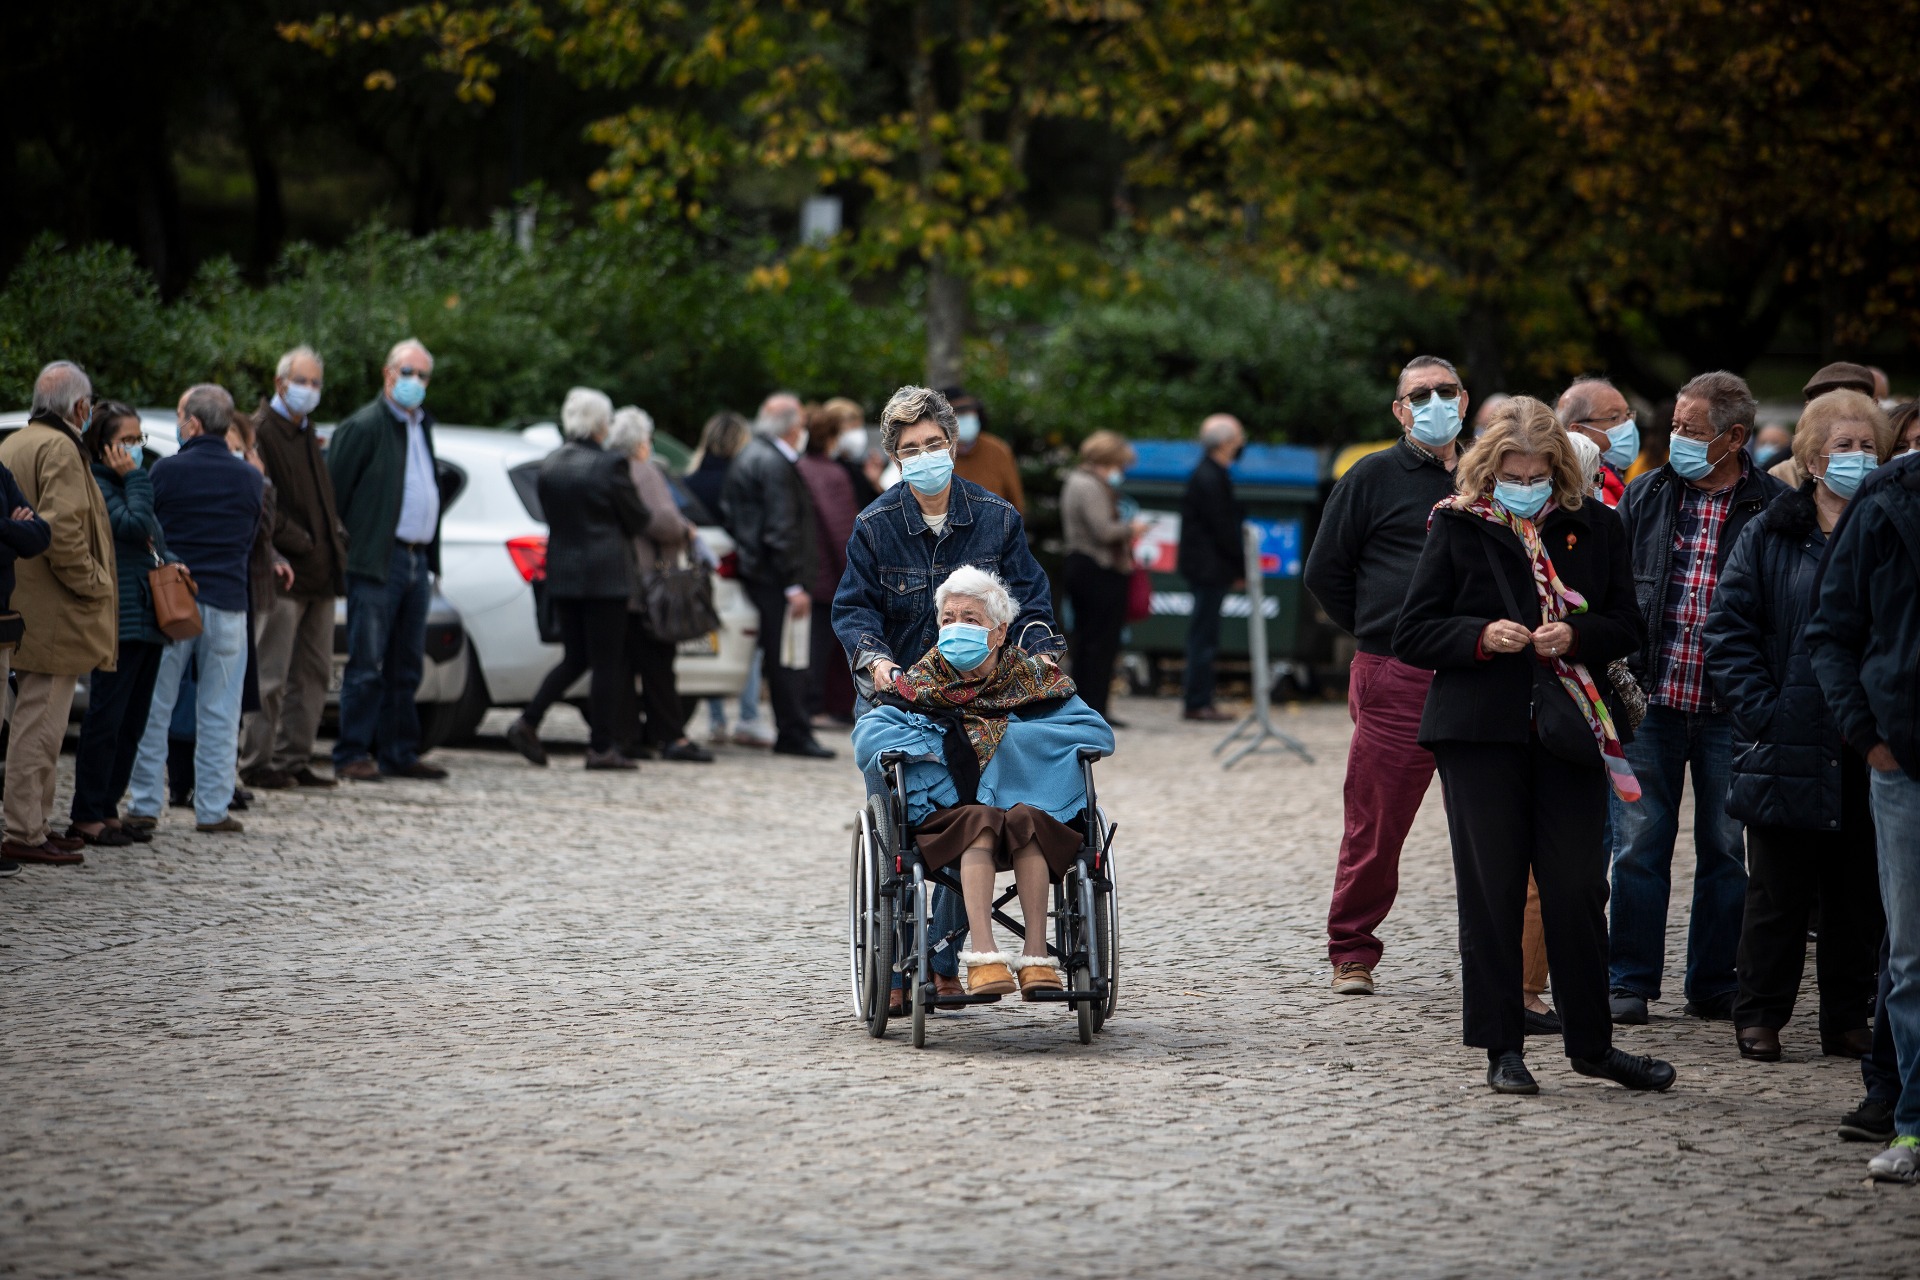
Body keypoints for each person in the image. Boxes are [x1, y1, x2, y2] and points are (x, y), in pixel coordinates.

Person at [1393, 396, 1673, 1095]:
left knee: (1578, 887)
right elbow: (1414, 630)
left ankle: (1593, 1046)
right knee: (1491, 892)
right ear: (1489, 470)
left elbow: (1627, 625)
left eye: (1537, 470)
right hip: (1479, 732)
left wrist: (1575, 636)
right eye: (1511, 471)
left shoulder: (1596, 526)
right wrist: (1479, 637)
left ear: (1558, 468)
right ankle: (1501, 1046)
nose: (1525, 482)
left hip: (1569, 731)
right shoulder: (1458, 527)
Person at [833, 383, 1065, 998]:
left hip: (982, 697)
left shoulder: (995, 517)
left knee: (977, 813)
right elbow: (853, 610)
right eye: (912, 447)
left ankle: (944, 962)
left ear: (953, 444)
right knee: (904, 834)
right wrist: (876, 661)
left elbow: (1033, 598)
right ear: (896, 456)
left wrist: (1040, 649)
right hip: (903, 698)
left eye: (935, 442)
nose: (926, 454)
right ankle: (900, 969)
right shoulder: (875, 527)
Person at [1704, 389, 1892, 1063]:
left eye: (1869, 445)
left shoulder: (1893, 530)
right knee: (1777, 894)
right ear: (1813, 459)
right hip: (1787, 737)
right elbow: (1728, 631)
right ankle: (1759, 1016)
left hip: (1869, 743)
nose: (1858, 458)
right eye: (1844, 446)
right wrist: (1763, 711)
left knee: (1858, 895)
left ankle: (1847, 1017)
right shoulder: (1771, 533)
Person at [1607, 370, 1789, 1025]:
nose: (1676, 439)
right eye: (1674, 426)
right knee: (1637, 848)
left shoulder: (1774, 506)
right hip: (1649, 704)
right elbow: (1614, 590)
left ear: (1735, 437)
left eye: (1691, 429)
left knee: (1725, 851)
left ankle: (1713, 982)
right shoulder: (1647, 495)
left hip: (1732, 712)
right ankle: (1628, 980)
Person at [851, 565, 1113, 1012]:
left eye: (970, 620)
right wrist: (940, 742)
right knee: (980, 821)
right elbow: (871, 736)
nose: (956, 628)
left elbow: (1095, 732)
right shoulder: (918, 682)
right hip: (950, 817)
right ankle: (984, 960)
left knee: (1026, 819)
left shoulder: (1032, 679)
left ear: (999, 631)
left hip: (1028, 808)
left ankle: (1036, 957)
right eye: (948, 619)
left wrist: (1007, 740)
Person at [1302, 354, 1463, 996]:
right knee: (1376, 822)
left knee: (1492, 822)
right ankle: (1352, 950)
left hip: (1479, 668)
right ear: (1399, 410)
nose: (1433, 402)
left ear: (1465, 397)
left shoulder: (1488, 472)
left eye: (1445, 391)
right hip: (1396, 671)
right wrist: (1381, 626)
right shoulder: (1370, 476)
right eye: (1419, 394)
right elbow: (1324, 572)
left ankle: (1505, 956)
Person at [1806, 430, 1920, 1181]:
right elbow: (1831, 630)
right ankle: (1913, 1126)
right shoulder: (1887, 498)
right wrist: (1868, 737)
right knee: (1912, 960)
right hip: (1905, 761)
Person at [126, 385, 265, 835]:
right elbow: (250, 538)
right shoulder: (250, 478)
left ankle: (145, 803)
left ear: (194, 424)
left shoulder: (166, 471)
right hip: (229, 601)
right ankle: (212, 808)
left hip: (174, 600)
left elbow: (152, 530)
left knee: (156, 705)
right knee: (221, 711)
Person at [507, 388, 651, 770]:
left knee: (576, 657)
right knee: (606, 663)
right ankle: (601, 746)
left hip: (564, 575)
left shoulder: (551, 463)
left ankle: (529, 720)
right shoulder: (610, 465)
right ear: (603, 424)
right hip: (605, 577)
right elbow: (638, 518)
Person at [327, 338, 449, 782]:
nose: (415, 382)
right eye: (408, 372)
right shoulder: (364, 426)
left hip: (416, 560)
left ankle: (399, 750)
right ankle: (352, 751)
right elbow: (335, 496)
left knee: (406, 663)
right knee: (366, 662)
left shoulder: (422, 426)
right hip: (379, 560)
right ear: (388, 374)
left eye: (422, 375)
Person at [0, 361, 104, 868]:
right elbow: (63, 534)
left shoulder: (16, 442)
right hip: (56, 607)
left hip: (25, 603)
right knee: (41, 724)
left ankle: (35, 823)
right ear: (80, 407)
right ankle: (25, 827)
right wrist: (95, 582)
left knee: (35, 719)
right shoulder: (60, 446)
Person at [241, 345, 346, 789]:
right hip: (283, 572)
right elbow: (262, 500)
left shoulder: (306, 431)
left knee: (314, 671)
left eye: (315, 383)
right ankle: (257, 760)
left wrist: (333, 539)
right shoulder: (261, 430)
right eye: (302, 381)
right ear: (280, 383)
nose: (309, 390)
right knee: (272, 672)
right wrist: (299, 540)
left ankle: (293, 756)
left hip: (320, 572)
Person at [68, 403, 170, 848]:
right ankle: (87, 812)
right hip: (118, 619)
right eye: (127, 440)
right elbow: (133, 525)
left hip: (148, 617)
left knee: (133, 720)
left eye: (138, 439)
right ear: (105, 445)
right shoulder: (102, 484)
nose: (135, 449)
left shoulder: (129, 484)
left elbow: (153, 540)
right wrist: (134, 477)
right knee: (106, 718)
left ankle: (108, 806)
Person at [721, 392, 833, 759]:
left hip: (762, 572)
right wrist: (794, 583)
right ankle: (794, 732)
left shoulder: (752, 456)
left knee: (783, 656)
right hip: (775, 578)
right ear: (789, 427)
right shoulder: (772, 463)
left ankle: (792, 729)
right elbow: (780, 527)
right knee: (788, 657)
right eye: (800, 424)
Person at [612, 405, 712, 763]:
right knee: (658, 663)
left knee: (624, 665)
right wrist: (687, 530)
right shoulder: (645, 471)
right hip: (651, 581)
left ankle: (626, 735)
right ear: (641, 442)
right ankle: (671, 736)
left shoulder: (612, 468)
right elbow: (664, 520)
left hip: (622, 581)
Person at [684, 410, 772, 747]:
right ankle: (747, 717)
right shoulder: (741, 481)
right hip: (736, 573)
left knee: (709, 637)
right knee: (747, 646)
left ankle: (717, 720)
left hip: (698, 572)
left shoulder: (689, 482)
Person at [0, 397, 53, 874]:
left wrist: (18, 528)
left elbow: (39, 535)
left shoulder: (0, 468)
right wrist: (11, 526)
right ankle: (22, 828)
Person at [1060, 430, 1141, 723]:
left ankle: (1095, 705)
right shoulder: (1088, 485)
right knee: (1096, 643)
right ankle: (1093, 707)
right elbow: (1104, 530)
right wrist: (1134, 529)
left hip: (1089, 567)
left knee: (1093, 641)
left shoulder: (1081, 481)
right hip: (1095, 568)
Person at [1177, 413, 1246, 722]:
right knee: (1204, 636)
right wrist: (1239, 566)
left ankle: (1199, 699)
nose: (1241, 443)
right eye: (1238, 438)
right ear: (1226, 442)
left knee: (1204, 634)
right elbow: (1223, 528)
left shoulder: (1209, 473)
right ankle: (1197, 701)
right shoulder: (1210, 476)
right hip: (1209, 569)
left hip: (1205, 567)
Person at [797, 403, 862, 724]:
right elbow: (841, 529)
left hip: (808, 571)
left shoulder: (799, 468)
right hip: (830, 574)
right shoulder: (832, 474)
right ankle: (821, 706)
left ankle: (812, 704)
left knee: (810, 645)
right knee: (827, 646)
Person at [1775, 363, 1879, 489]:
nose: (1843, 410)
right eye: (1825, 405)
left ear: (1874, 406)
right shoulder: (1782, 476)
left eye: (1854, 401)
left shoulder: (1892, 469)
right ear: (1807, 410)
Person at [1555, 376, 1637, 507]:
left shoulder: (1612, 480)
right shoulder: (1582, 491)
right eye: (1614, 417)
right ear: (1577, 431)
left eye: (1628, 415)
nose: (1628, 425)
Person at [943, 388, 1025, 514]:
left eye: (968, 411)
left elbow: (1016, 502)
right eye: (958, 412)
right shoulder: (938, 454)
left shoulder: (998, 450)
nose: (964, 417)